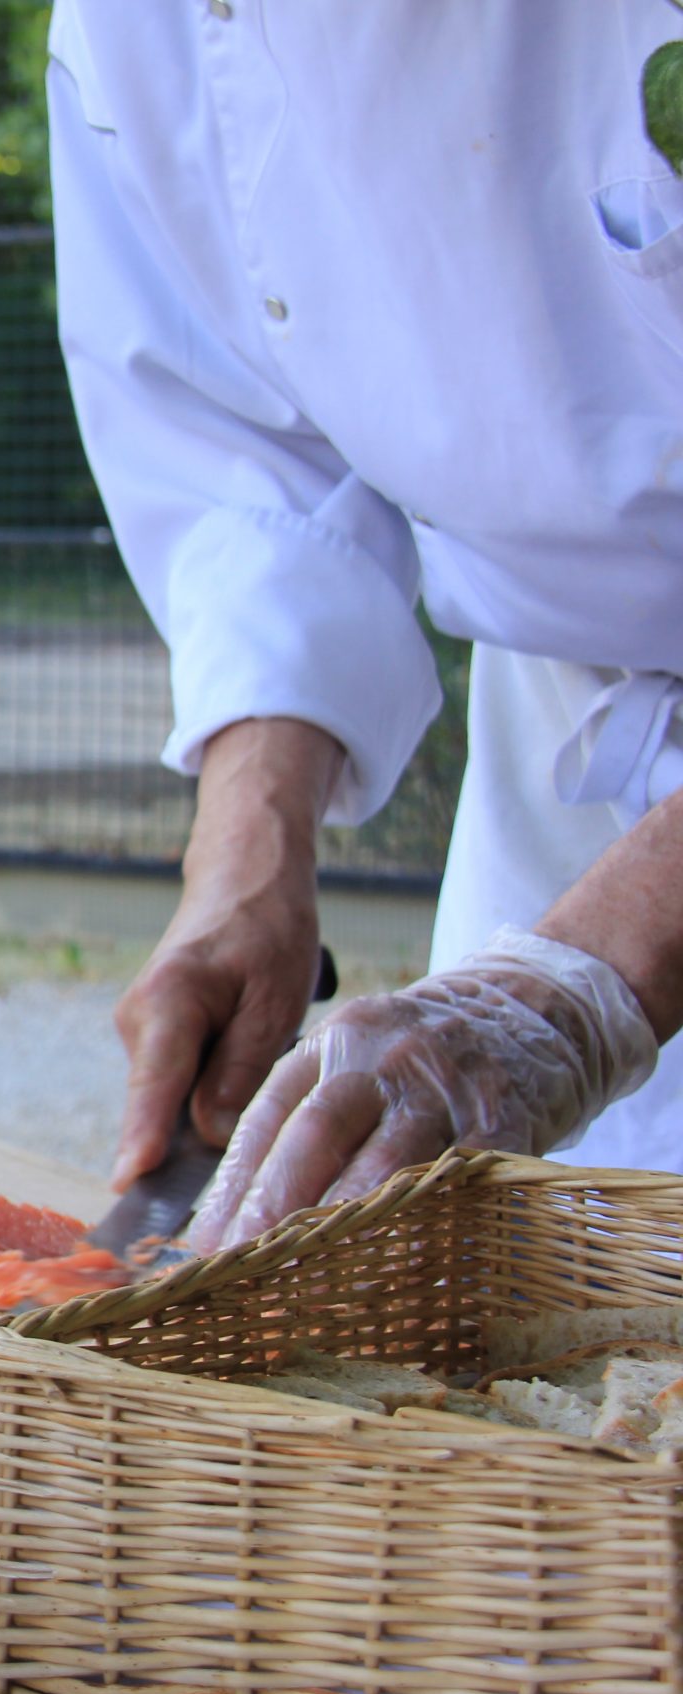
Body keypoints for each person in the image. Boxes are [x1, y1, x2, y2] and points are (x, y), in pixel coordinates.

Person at [50, 6, 683, 1252]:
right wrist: (247, 850)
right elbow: (249, 454)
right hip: (565, 726)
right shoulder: (135, 25)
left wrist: (580, 979)